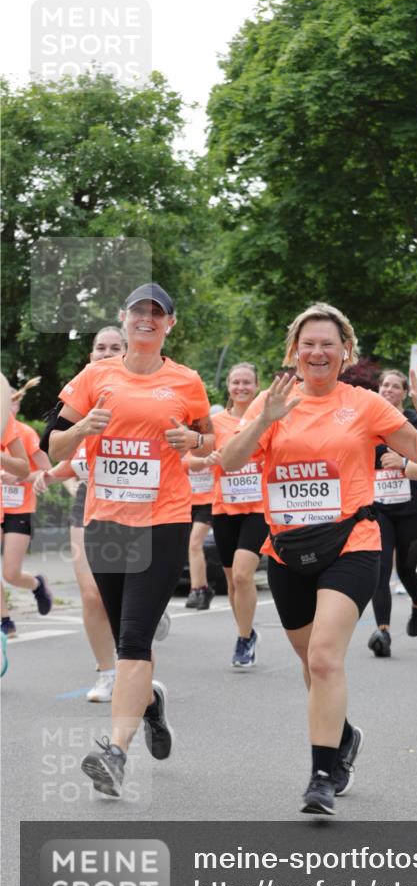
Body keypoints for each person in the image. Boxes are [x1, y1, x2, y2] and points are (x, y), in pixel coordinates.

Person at [221, 303, 417, 815]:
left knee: (323, 657)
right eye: (308, 344)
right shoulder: (273, 401)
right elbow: (230, 461)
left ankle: (322, 776)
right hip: (287, 549)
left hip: (352, 542)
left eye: (328, 344)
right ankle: (343, 736)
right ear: (294, 351)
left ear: (345, 352)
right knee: (310, 663)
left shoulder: (363, 403)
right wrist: (264, 421)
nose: (317, 352)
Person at [49, 283, 213, 798]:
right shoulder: (95, 376)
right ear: (123, 319)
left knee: (136, 639)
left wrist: (195, 440)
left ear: (170, 324)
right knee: (126, 643)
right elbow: (53, 445)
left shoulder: (185, 381)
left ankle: (115, 753)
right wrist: (82, 429)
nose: (147, 318)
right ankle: (150, 702)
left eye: (157, 313)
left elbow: (211, 438)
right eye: (139, 311)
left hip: (163, 521)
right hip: (106, 521)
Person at [35, 327, 125, 700]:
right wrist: (51, 473)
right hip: (89, 497)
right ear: (90, 356)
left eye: (115, 347)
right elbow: (68, 453)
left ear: (127, 353)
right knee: (90, 593)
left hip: (133, 501)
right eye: (100, 347)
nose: (106, 353)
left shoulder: (141, 395)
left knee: (123, 592)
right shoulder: (78, 398)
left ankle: (133, 655)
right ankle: (107, 672)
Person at [192, 362, 267, 667]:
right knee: (232, 582)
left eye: (247, 382)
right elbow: (190, 457)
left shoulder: (265, 419)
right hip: (224, 507)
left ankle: (243, 639)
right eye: (236, 382)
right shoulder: (215, 423)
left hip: (258, 508)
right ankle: (246, 632)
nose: (241, 387)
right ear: (228, 386)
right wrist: (205, 458)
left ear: (257, 386)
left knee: (242, 574)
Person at [367, 370, 417, 658]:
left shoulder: (415, 421)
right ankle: (383, 632)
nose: (389, 390)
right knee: (380, 569)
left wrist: (404, 461)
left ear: (404, 393)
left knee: (406, 570)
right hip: (378, 508)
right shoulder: (368, 420)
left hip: (412, 509)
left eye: (395, 386)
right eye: (385, 385)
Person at [1, 380, 53, 638]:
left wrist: (19, 478)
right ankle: (5, 620)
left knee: (11, 573)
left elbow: (48, 471)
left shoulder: (24, 433)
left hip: (19, 509)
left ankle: (36, 584)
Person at [182, 452, 215, 611]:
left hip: (208, 502)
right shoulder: (183, 446)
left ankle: (198, 589)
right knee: (191, 546)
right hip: (186, 501)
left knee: (195, 543)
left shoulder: (213, 444)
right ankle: (202, 589)